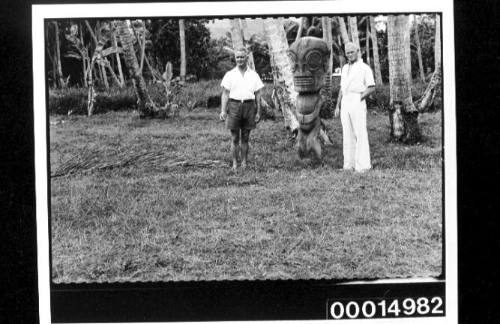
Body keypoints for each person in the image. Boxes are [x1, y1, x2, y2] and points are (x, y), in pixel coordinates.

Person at [219, 47, 264, 170]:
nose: (240, 59)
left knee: (245, 137)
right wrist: (223, 110)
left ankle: (244, 163)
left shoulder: (253, 75)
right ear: (235, 58)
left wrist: (258, 112)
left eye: (242, 57)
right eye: (237, 57)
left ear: (246, 58)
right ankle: (234, 163)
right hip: (234, 106)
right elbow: (225, 94)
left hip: (249, 106)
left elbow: (258, 95)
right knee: (234, 138)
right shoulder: (230, 74)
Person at [334, 42, 375, 172]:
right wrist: (337, 105)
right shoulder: (345, 68)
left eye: (352, 52)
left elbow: (371, 87)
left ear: (357, 51)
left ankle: (363, 166)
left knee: (360, 133)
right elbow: (342, 88)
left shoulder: (364, 68)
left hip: (357, 99)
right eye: (347, 53)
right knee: (347, 134)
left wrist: (360, 98)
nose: (350, 55)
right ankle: (348, 165)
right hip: (345, 102)